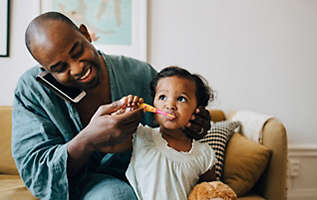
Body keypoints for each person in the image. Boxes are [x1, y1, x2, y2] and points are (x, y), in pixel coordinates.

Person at [12, 12, 211, 200]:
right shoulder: (32, 91)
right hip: (79, 187)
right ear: (46, 70)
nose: (77, 67)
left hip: (147, 179)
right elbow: (36, 174)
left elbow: (171, 125)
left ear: (85, 33)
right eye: (60, 68)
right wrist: (88, 140)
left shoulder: (140, 74)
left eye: (77, 51)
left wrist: (193, 125)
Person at [118, 66, 216, 200]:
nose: (170, 105)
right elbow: (109, 142)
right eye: (162, 97)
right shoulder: (140, 135)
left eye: (181, 99)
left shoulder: (204, 154)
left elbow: (213, 192)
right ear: (153, 103)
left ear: (198, 109)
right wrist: (124, 113)